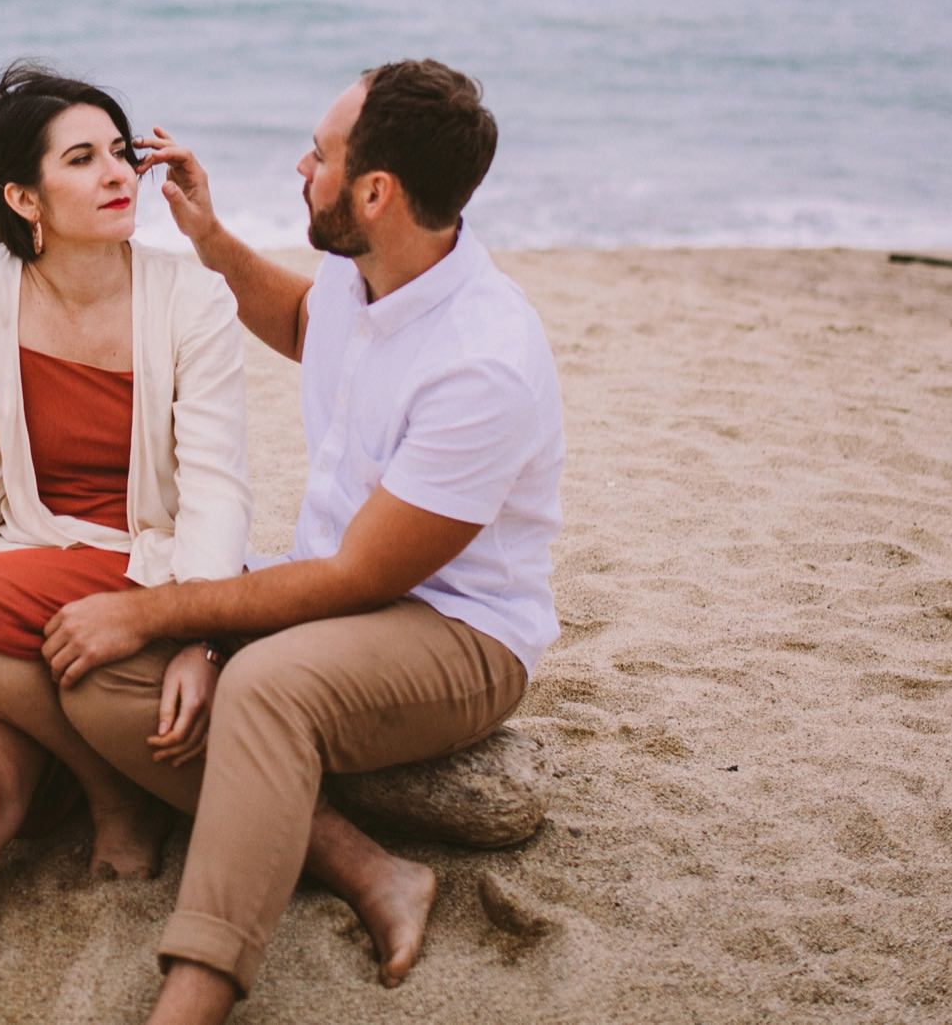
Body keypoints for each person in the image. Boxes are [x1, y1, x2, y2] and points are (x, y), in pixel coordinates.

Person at [42, 59, 564, 1025]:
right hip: (328, 588)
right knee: (100, 674)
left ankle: (196, 989)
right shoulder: (359, 266)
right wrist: (207, 238)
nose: (300, 167)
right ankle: (367, 867)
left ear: (376, 190)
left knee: (259, 685)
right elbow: (295, 320)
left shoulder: (483, 363)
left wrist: (162, 611)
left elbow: (359, 577)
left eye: (319, 157)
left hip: (457, 630)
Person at [0, 61, 253, 1025]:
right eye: (83, 159)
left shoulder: (191, 300)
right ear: (24, 197)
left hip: (150, 569)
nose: (119, 173)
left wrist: (199, 635)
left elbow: (216, 491)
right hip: (26, 561)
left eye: (120, 152)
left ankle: (109, 793)